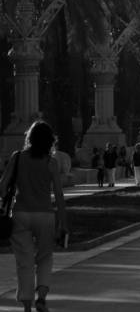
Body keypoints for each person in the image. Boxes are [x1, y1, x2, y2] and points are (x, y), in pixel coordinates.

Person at [0, 121, 68, 312]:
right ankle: (42, 297)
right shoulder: (51, 163)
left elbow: (2, 187)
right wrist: (63, 222)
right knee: (45, 257)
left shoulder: (18, 158)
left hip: (21, 213)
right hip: (45, 214)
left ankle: (27, 305)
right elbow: (59, 195)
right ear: (50, 141)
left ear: (29, 138)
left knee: (25, 261)